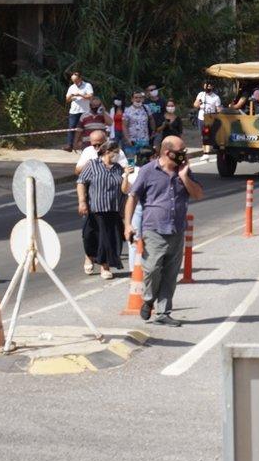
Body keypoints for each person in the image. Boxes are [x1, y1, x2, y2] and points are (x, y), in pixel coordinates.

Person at [124, 136, 203, 326]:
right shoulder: (148, 171)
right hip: (153, 229)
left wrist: (184, 176)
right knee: (151, 269)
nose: (184, 155)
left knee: (170, 273)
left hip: (176, 229)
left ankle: (163, 313)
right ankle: (149, 299)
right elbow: (132, 197)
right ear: (168, 153)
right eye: (181, 152)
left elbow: (198, 194)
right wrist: (127, 224)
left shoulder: (184, 171)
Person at [76, 140, 128, 279]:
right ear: (106, 152)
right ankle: (90, 256)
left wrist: (127, 176)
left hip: (113, 208)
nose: (117, 155)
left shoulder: (118, 168)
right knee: (90, 237)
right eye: (115, 152)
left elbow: (124, 189)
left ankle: (105, 267)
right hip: (95, 208)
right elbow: (81, 182)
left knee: (109, 239)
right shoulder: (93, 165)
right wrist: (82, 202)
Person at [64, 71, 93, 152]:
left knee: (85, 128)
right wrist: (71, 96)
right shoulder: (71, 87)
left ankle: (86, 144)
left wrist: (80, 95)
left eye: (76, 80)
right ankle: (69, 145)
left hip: (85, 111)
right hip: (74, 111)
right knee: (71, 127)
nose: (75, 82)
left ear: (80, 78)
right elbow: (67, 99)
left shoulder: (87, 85)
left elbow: (90, 96)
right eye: (73, 81)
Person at [122, 91, 152, 159]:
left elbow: (151, 119)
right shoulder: (127, 110)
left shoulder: (146, 109)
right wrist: (127, 139)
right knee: (131, 161)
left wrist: (153, 132)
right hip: (132, 141)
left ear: (143, 99)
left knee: (144, 160)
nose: (138, 99)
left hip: (144, 140)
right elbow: (124, 126)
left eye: (140, 98)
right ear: (132, 99)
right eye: (136, 98)